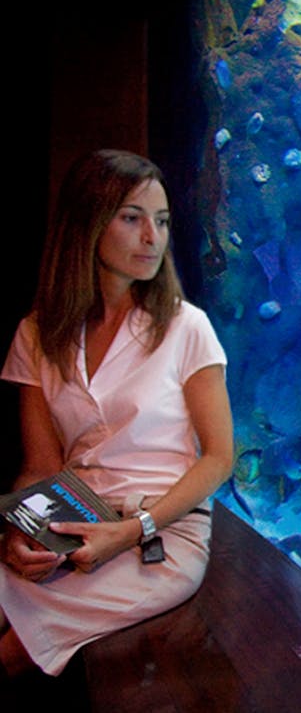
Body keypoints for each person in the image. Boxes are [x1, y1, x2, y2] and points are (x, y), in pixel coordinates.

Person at [0, 149, 233, 677]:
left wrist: (132, 531)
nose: (154, 237)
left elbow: (219, 459)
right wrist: (21, 532)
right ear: (88, 223)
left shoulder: (186, 327)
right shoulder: (36, 333)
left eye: (163, 221)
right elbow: (40, 467)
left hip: (161, 533)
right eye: (133, 218)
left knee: (12, 651)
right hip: (71, 524)